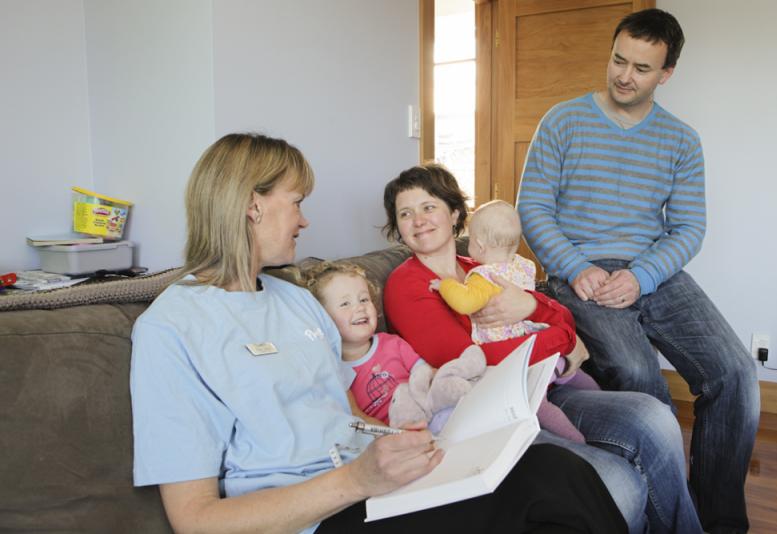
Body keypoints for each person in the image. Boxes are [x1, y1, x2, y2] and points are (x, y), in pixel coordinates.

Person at [129, 133, 629, 534]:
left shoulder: (297, 301)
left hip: (373, 482)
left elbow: (343, 413)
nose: (305, 220)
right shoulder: (171, 329)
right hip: (318, 515)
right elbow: (194, 519)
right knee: (553, 489)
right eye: (297, 202)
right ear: (251, 205)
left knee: (556, 473)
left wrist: (413, 438)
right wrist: (357, 479)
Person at [516, 8, 759, 533]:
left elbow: (690, 227)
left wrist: (643, 276)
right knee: (634, 372)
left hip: (654, 272)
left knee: (736, 373)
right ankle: (664, 514)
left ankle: (717, 521)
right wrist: (574, 266)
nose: (625, 76)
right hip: (581, 271)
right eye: (618, 60)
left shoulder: (681, 140)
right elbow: (533, 207)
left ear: (666, 73)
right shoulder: (562, 120)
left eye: (642, 68)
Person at [382, 162, 703, 534]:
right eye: (405, 213)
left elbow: (559, 314)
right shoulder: (407, 284)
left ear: (454, 212)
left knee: (654, 416)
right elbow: (473, 360)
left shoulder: (480, 266)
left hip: (542, 388)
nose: (418, 220)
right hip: (493, 413)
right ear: (398, 228)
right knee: (618, 482)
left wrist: (532, 307)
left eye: (428, 207)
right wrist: (565, 341)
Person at [431, 199, 600, 443]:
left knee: (538, 406)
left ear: (478, 245)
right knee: (571, 372)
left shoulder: (483, 276)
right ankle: (595, 391)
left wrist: (445, 284)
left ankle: (577, 440)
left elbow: (464, 303)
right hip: (544, 346)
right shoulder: (523, 266)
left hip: (524, 358)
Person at [305, 260, 486, 433]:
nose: (360, 308)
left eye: (364, 299)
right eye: (345, 303)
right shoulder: (334, 371)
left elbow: (426, 374)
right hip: (395, 432)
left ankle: (469, 371)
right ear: (323, 320)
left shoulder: (392, 343)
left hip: (425, 406)